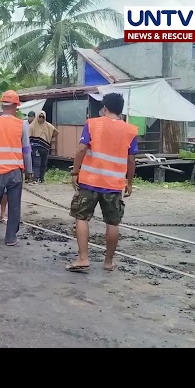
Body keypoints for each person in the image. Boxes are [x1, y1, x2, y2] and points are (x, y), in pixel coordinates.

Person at [66, 92, 138, 273]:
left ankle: (83, 258)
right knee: (113, 223)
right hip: (113, 185)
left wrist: (75, 171)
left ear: (104, 108)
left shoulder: (92, 123)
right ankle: (108, 262)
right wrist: (129, 182)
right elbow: (131, 160)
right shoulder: (130, 130)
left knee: (81, 217)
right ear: (120, 110)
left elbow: (82, 149)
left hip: (89, 181)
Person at [0, 90, 33, 246]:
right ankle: (10, 238)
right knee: (14, 205)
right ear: (16, 106)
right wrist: (29, 170)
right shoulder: (21, 125)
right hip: (15, 172)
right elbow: (26, 150)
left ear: (2, 105)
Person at [29, 110, 58, 183]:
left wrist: (49, 137)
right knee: (36, 163)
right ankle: (35, 178)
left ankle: (41, 178)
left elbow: (56, 132)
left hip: (45, 147)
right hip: (36, 147)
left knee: (44, 163)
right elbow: (28, 136)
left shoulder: (48, 125)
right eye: (40, 116)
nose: (41, 118)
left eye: (43, 117)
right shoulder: (33, 125)